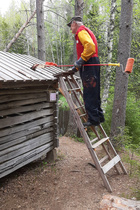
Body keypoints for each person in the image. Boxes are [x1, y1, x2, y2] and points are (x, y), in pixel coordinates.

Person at [67, 16, 105, 126]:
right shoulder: (86, 31)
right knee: (94, 90)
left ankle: (93, 119)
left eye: (71, 26)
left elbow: (90, 47)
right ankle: (99, 116)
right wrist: (77, 66)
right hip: (93, 62)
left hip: (89, 63)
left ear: (74, 23)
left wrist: (80, 61)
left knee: (89, 91)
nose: (71, 29)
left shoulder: (81, 31)